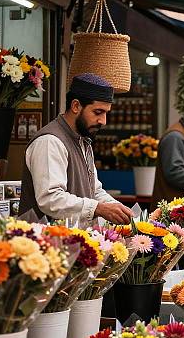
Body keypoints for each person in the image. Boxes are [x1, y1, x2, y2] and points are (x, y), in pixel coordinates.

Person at [19, 73, 133, 225]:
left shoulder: (84, 140)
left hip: (74, 242)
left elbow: (94, 191)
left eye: (106, 113)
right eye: (98, 112)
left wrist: (121, 211)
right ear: (75, 106)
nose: (103, 121)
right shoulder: (49, 141)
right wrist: (98, 208)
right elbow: (51, 199)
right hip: (43, 243)